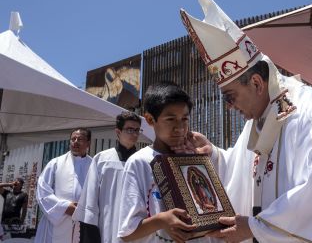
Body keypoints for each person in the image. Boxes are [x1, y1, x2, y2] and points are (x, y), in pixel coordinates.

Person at [179, 0, 312, 242]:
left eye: (230, 97)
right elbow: (241, 173)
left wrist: (255, 228)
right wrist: (214, 156)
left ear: (257, 83)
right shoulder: (256, 124)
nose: (229, 107)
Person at [117, 82, 212, 243]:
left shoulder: (195, 160)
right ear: (150, 119)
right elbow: (127, 233)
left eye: (184, 119)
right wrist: (161, 220)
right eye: (170, 119)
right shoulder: (140, 162)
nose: (180, 128)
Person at [72, 111, 142, 243]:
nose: (135, 134)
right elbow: (90, 200)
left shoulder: (144, 162)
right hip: (108, 229)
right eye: (130, 129)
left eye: (137, 130)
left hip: (137, 230)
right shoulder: (102, 159)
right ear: (118, 132)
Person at [35, 128, 93, 243]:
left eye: (80, 139)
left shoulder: (94, 165)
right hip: (57, 220)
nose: (75, 142)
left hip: (83, 222)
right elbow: (42, 191)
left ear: (88, 143)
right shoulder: (56, 163)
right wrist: (65, 207)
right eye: (73, 139)